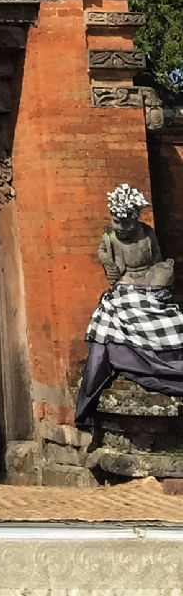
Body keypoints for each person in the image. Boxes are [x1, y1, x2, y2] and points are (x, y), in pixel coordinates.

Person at [75, 184, 183, 429]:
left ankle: (169, 361)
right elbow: (103, 253)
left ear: (135, 220)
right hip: (124, 285)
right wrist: (107, 262)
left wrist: (160, 275)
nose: (121, 228)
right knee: (110, 318)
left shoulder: (147, 234)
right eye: (117, 222)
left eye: (126, 223)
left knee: (173, 321)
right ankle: (127, 360)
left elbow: (156, 259)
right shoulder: (109, 236)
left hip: (148, 283)